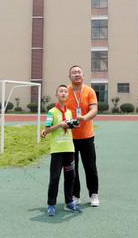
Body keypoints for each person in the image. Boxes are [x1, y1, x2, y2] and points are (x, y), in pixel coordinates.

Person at [40, 85, 82, 216]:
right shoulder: (51, 112)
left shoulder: (69, 112)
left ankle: (69, 203)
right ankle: (51, 204)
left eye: (65, 92)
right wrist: (59, 125)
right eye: (61, 91)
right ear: (56, 95)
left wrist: (72, 124)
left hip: (69, 150)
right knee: (55, 178)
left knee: (70, 177)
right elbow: (46, 130)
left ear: (68, 96)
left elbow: (68, 127)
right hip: (57, 151)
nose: (63, 93)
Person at [65, 65, 100, 207]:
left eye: (79, 72)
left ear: (83, 75)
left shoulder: (89, 91)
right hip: (69, 138)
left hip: (87, 136)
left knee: (90, 166)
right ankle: (75, 195)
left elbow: (94, 109)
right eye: (74, 72)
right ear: (70, 76)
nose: (77, 74)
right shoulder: (65, 92)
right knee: (73, 168)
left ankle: (94, 194)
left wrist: (85, 118)